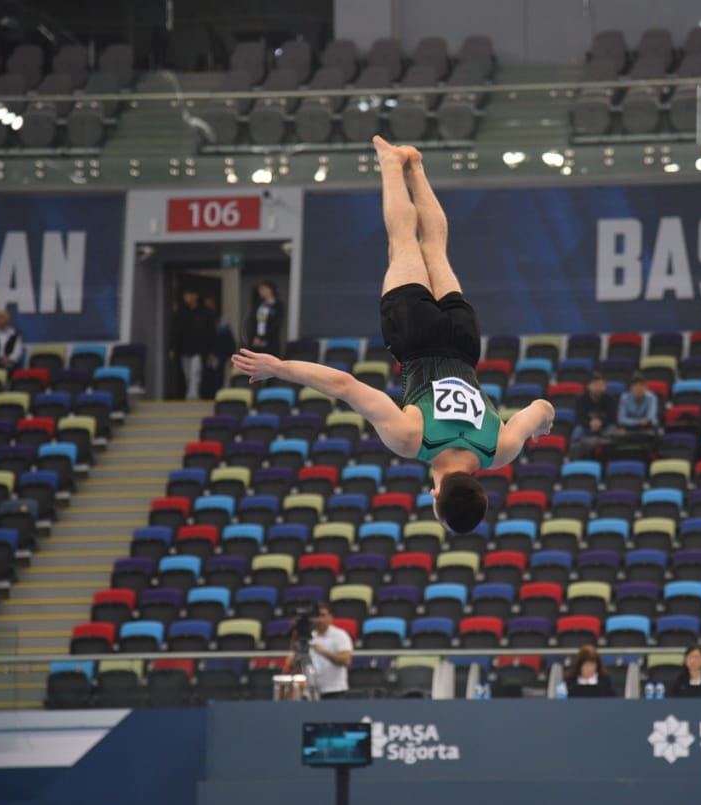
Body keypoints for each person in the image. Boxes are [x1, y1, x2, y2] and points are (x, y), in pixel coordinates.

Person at [232, 138, 554, 535]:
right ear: (435, 500)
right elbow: (345, 385)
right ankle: (389, 162)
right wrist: (279, 367)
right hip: (415, 338)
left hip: (464, 342)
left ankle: (415, 165)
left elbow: (541, 406)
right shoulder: (410, 439)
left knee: (435, 249)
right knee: (403, 242)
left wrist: (542, 426)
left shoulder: (500, 450)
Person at [296, 602, 353, 699]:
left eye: (323, 615)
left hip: (335, 691)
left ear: (331, 617)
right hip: (311, 692)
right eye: (317, 616)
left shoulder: (340, 636)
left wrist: (323, 652)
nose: (319, 619)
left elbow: (346, 660)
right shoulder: (308, 637)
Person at [171, 288, 215, 400]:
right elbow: (175, 331)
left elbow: (211, 333)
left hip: (199, 350)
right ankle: (192, 394)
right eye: (185, 295)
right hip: (184, 349)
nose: (186, 298)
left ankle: (192, 397)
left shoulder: (205, 313)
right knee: (188, 376)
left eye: (189, 295)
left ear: (195, 296)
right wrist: (172, 348)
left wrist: (211, 351)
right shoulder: (181, 312)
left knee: (195, 373)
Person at [200, 294, 236, 399]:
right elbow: (204, 339)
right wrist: (208, 353)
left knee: (218, 376)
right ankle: (208, 396)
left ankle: (216, 396)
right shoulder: (202, 319)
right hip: (206, 353)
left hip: (219, 353)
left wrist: (231, 354)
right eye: (206, 304)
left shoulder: (221, 321)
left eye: (210, 303)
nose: (208, 306)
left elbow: (229, 339)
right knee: (207, 376)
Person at [572, 373, 617, 443]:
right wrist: (590, 424)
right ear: (588, 386)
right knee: (578, 432)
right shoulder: (581, 400)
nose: (599, 388)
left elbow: (612, 417)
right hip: (587, 426)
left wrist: (601, 423)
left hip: (605, 426)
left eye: (601, 385)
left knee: (612, 431)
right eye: (596, 385)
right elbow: (579, 417)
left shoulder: (610, 399)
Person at [248, 280, 284, 356]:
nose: (260, 292)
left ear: (270, 290)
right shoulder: (259, 304)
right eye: (259, 290)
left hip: (270, 341)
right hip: (257, 341)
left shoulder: (278, 305)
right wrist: (255, 337)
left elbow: (276, 324)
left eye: (263, 289)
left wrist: (262, 337)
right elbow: (255, 322)